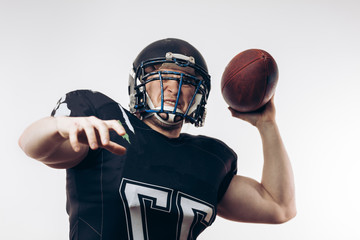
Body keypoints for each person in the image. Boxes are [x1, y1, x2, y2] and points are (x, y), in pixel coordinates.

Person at [19, 38, 296, 240]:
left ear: (199, 96)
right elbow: (32, 146)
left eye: (187, 81)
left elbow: (279, 206)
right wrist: (58, 126)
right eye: (161, 75)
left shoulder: (209, 159)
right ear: (138, 84)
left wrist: (267, 125)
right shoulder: (105, 124)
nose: (174, 87)